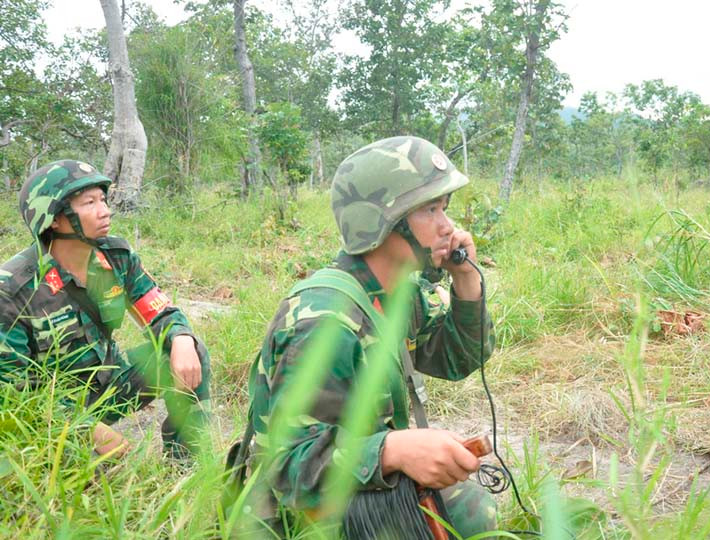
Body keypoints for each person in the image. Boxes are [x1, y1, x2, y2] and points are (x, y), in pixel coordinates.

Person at [240, 136, 497, 537]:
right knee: (468, 509)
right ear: (379, 223)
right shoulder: (325, 323)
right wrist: (393, 450)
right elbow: (287, 466)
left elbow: (458, 358)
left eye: (444, 209)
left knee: (462, 493)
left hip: (350, 479)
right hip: (293, 510)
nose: (448, 227)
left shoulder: (398, 295)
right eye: (430, 210)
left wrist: (466, 281)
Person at [0, 160, 211, 460]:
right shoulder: (13, 288)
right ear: (55, 219)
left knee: (191, 349)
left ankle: (185, 463)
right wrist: (83, 427)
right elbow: (15, 395)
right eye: (89, 203)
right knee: (87, 481)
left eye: (103, 199)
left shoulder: (116, 258)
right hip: (52, 411)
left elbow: (160, 312)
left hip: (110, 385)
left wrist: (180, 338)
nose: (105, 211)